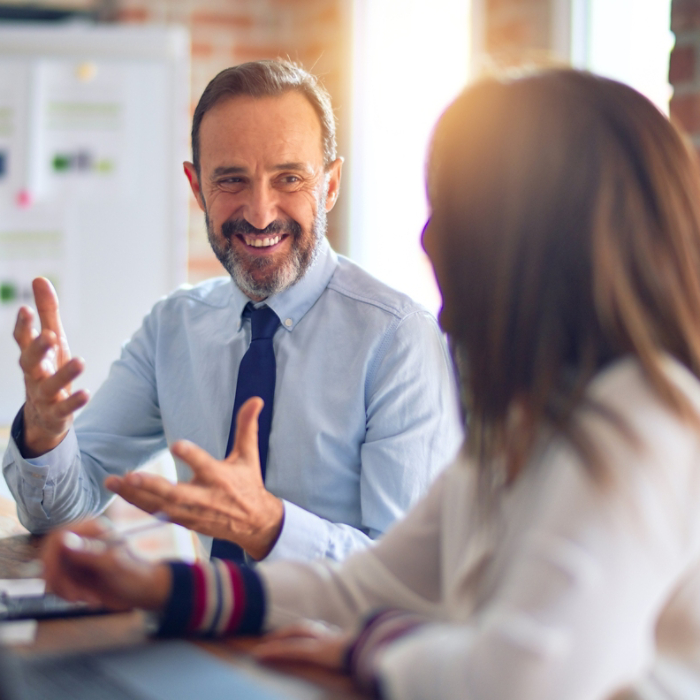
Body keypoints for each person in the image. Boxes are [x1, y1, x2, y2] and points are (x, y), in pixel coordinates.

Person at [44, 67, 700, 700]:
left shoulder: (640, 426)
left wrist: (370, 651)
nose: (427, 235)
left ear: (541, 241)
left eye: (456, 211)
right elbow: (364, 588)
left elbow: (519, 681)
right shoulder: (523, 428)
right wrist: (152, 588)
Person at [3, 60, 462, 563]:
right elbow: (61, 513)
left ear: (329, 186)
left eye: (289, 178)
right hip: (204, 631)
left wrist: (270, 529)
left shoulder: (398, 339)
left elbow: (410, 574)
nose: (260, 213)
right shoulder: (171, 330)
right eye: (232, 180)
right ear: (197, 188)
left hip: (336, 640)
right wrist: (45, 437)